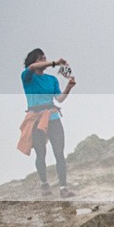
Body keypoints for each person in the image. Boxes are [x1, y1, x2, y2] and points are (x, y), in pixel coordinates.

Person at [17, 48, 76, 198]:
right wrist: (55, 63)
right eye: (40, 59)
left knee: (59, 152)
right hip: (35, 118)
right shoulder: (27, 77)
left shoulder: (51, 79)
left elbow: (59, 99)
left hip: (52, 116)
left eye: (45, 58)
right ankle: (44, 183)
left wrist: (68, 87)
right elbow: (30, 68)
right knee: (41, 153)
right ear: (34, 61)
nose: (44, 61)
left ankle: (63, 188)